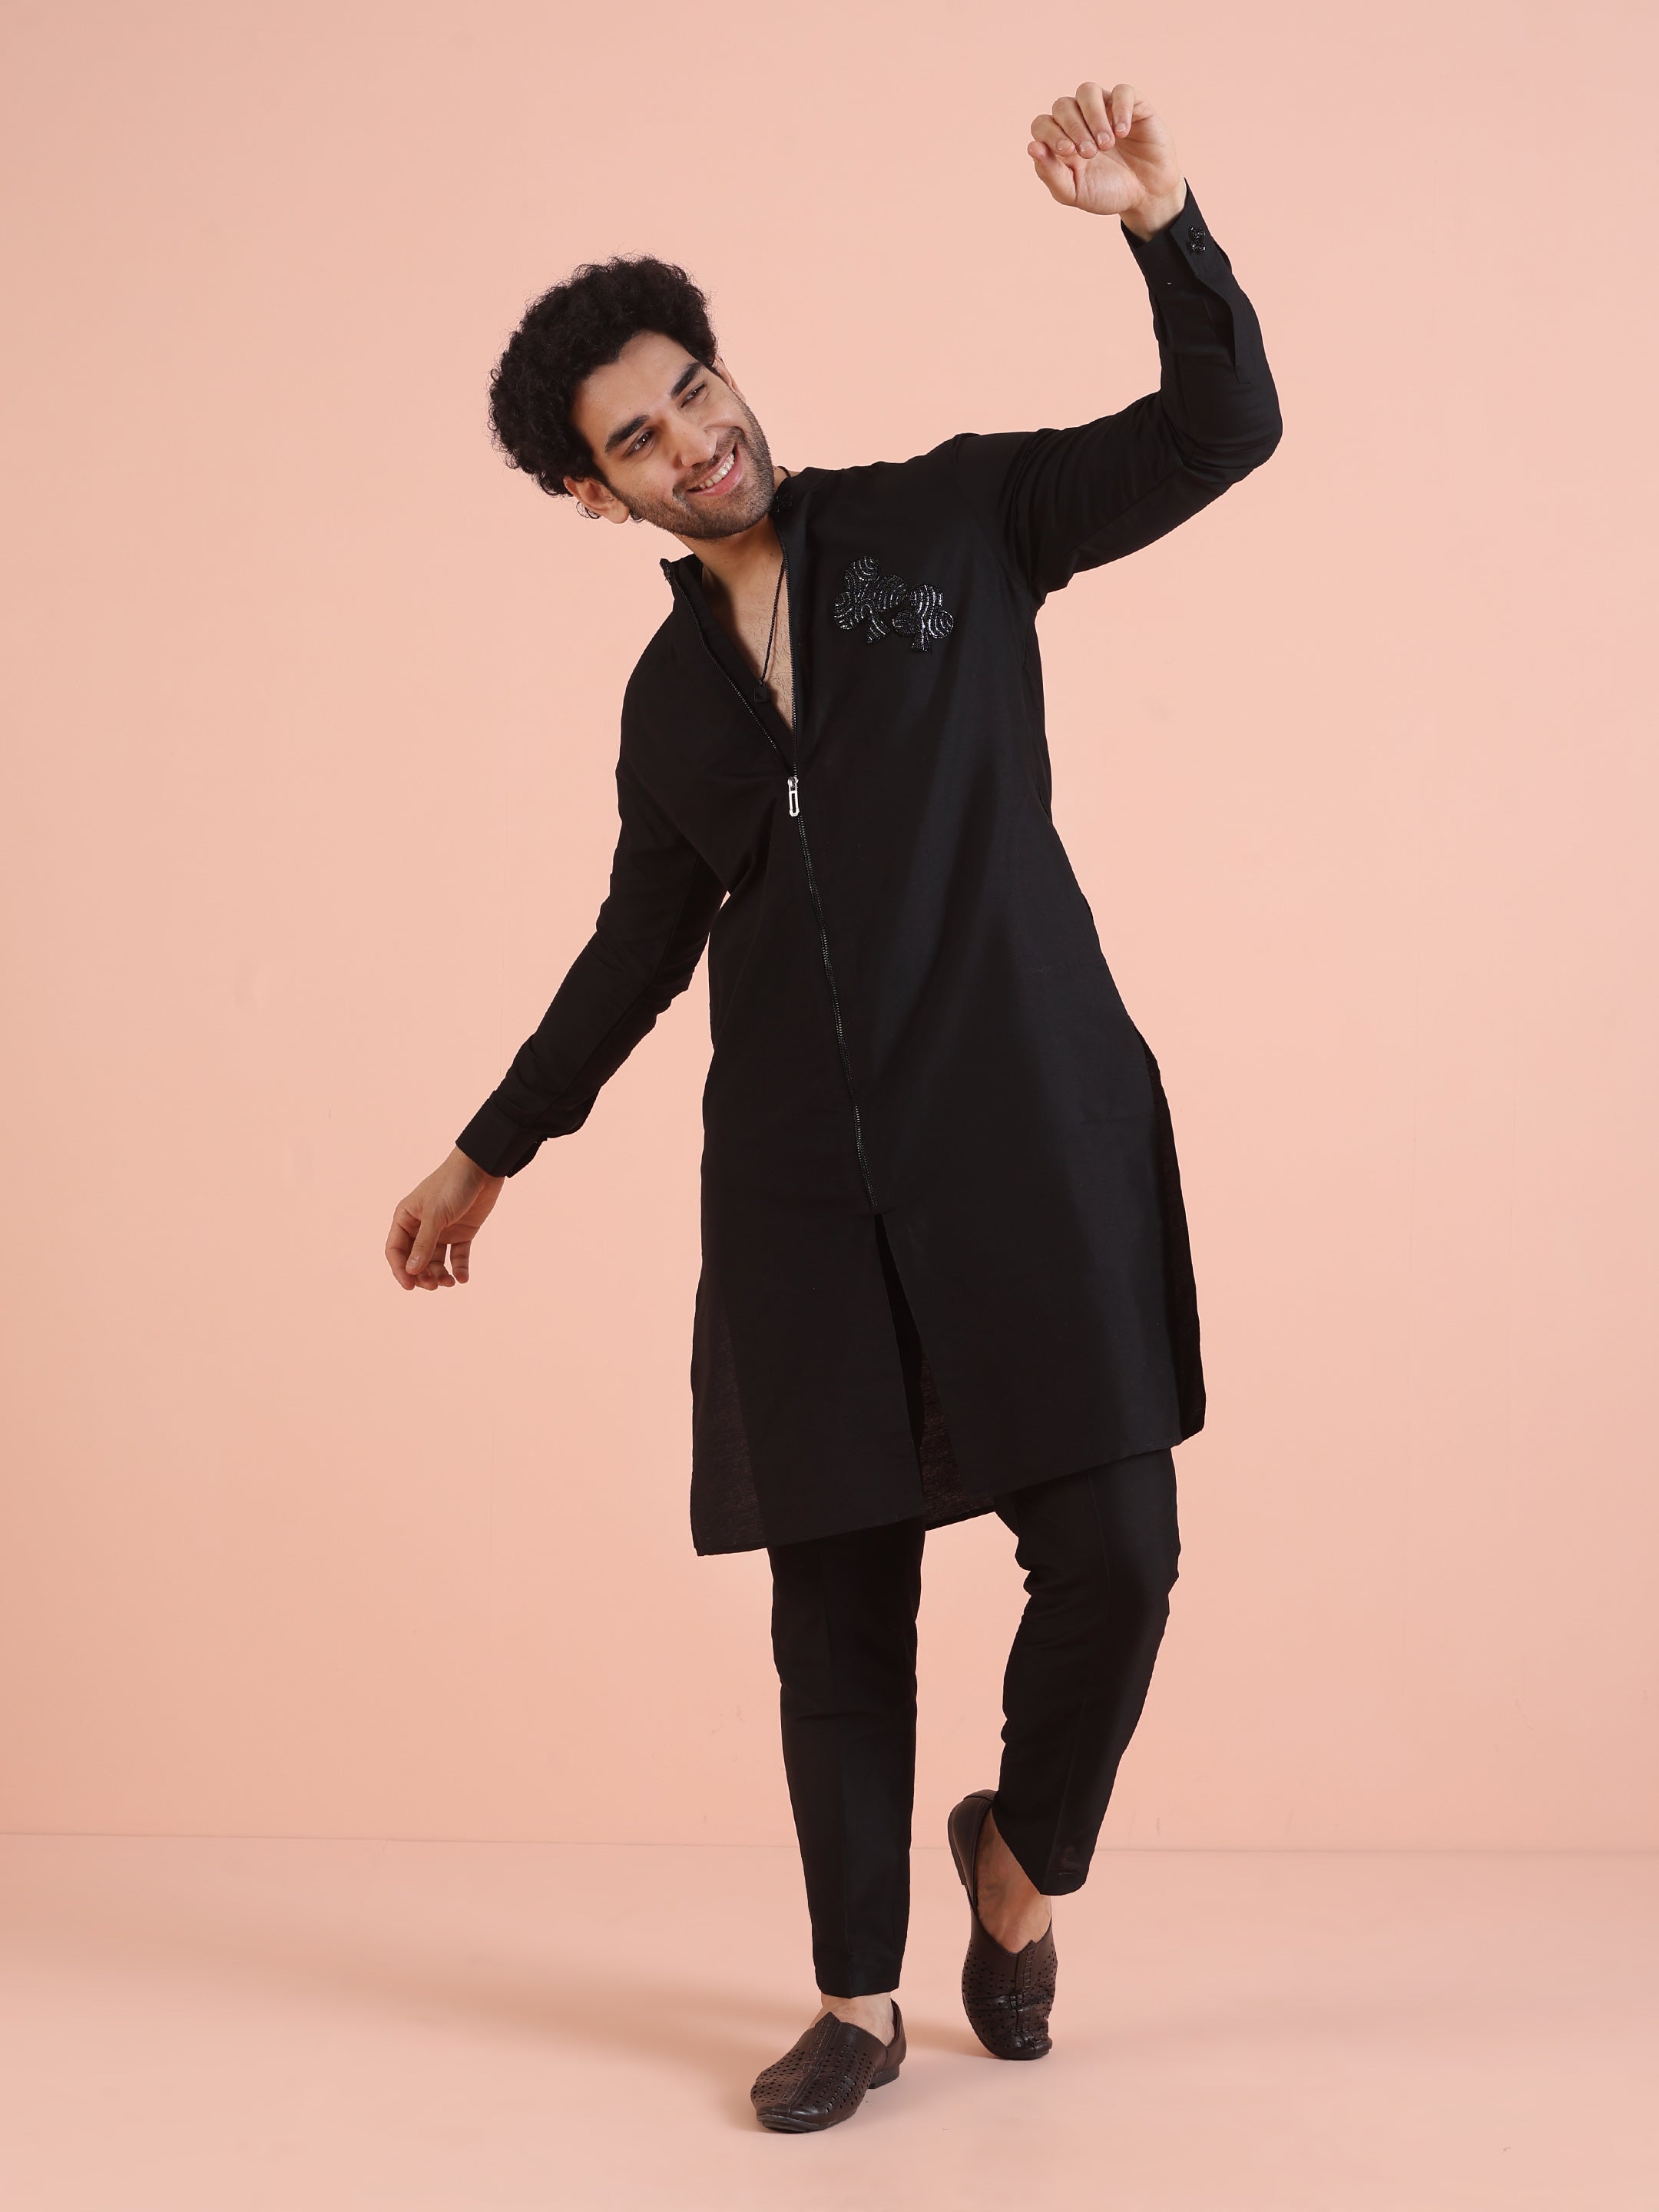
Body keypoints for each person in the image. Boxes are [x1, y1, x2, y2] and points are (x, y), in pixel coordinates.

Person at [386, 77, 1280, 2131]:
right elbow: (637, 947)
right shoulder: (668, 706)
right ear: (595, 496)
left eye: (695, 390)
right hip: (801, 1195)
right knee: (838, 1610)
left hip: (1028, 1141)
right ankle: (858, 2001)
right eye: (640, 439)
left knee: (1120, 1554)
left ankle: (1018, 1870)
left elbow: (1219, 429)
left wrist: (1163, 226)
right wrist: (491, 1147)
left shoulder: (954, 523)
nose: (697, 439)